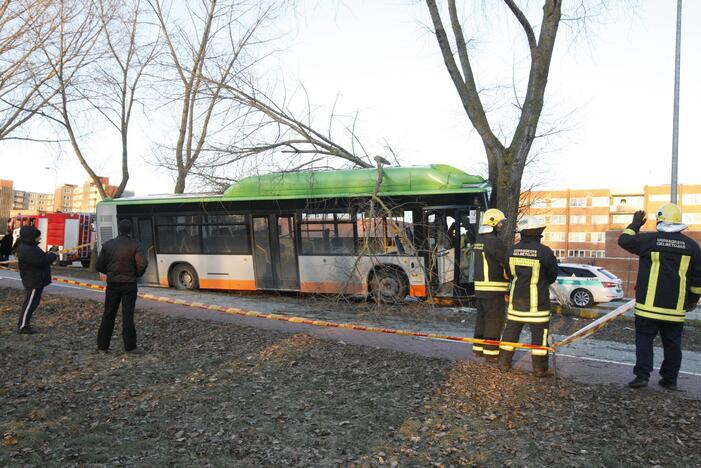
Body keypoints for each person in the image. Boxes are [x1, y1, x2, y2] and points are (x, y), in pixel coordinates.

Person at [618, 205, 701, 390]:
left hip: (648, 306)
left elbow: (624, 240)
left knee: (644, 340)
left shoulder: (649, 240)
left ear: (660, 221)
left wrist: (635, 224)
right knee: (672, 344)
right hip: (675, 308)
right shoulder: (692, 246)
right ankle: (669, 380)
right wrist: (693, 300)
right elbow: (697, 280)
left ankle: (642, 377)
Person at [498, 216, 558, 377]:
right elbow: (552, 276)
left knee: (510, 334)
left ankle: (503, 364)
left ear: (523, 232)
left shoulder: (511, 250)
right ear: (537, 232)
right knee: (540, 338)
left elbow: (510, 275)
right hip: (538, 307)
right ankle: (539, 369)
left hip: (516, 305)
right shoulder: (545, 252)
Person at [96, 219, 148, 353]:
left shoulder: (108, 245)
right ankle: (130, 346)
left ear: (119, 229)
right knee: (128, 315)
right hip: (129, 285)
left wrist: (110, 273)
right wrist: (135, 274)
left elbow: (99, 265)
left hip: (112, 284)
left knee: (108, 314)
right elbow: (142, 264)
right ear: (130, 231)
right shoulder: (136, 245)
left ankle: (102, 345)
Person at [471, 209, 509, 361]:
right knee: (494, 320)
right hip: (494, 289)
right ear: (493, 222)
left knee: (482, 319)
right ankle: (492, 353)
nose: (501, 225)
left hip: (480, 289)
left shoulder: (479, 240)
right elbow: (506, 260)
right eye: (500, 222)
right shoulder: (494, 241)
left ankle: (478, 349)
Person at [15, 226, 57, 334]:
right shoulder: (27, 248)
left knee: (33, 303)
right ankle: (23, 326)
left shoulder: (30, 246)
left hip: (36, 279)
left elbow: (40, 257)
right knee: (29, 303)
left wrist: (49, 253)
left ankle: (25, 324)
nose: (39, 239)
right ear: (31, 237)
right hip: (33, 280)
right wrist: (52, 255)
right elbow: (41, 261)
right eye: (38, 237)